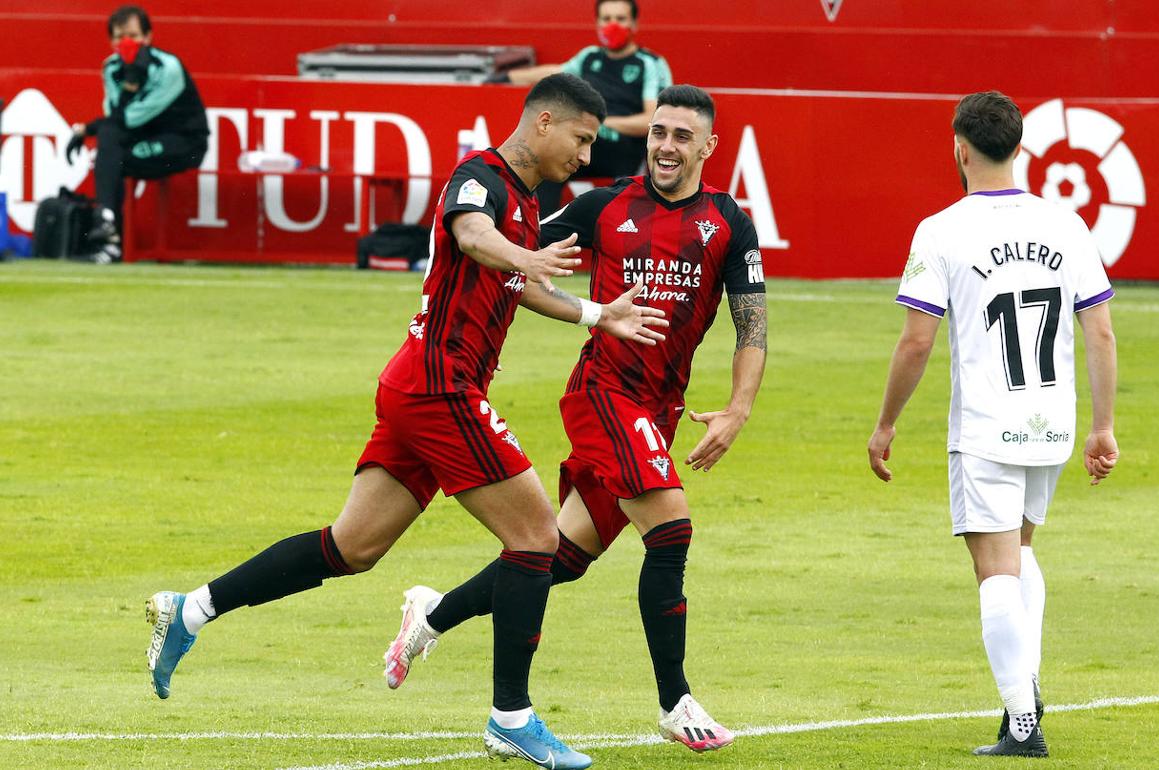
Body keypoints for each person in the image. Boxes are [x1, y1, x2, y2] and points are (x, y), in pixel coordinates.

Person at [144, 73, 668, 770]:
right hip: (439, 388)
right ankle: (512, 717)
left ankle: (190, 611)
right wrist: (524, 256)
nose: (584, 155)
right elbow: (475, 238)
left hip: (422, 385)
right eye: (581, 140)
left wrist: (599, 314)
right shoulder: (479, 179)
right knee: (537, 539)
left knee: (352, 547)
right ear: (544, 123)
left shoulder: (528, 198)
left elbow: (523, 283)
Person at [382, 84, 767, 754]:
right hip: (602, 393)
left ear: (708, 146)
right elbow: (516, 260)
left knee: (556, 558)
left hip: (658, 410)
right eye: (658, 133)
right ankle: (675, 701)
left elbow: (751, 326)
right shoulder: (601, 204)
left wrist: (738, 408)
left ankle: (431, 615)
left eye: (682, 136)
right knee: (670, 529)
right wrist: (569, 301)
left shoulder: (729, 221)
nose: (667, 146)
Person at [866, 91, 1120, 758]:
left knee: (995, 571)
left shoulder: (941, 229)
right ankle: (1024, 698)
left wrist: (885, 423)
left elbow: (916, 342)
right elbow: (1101, 330)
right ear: (1021, 145)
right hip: (1052, 425)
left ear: (958, 146)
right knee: (1021, 554)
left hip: (985, 427)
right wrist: (1103, 427)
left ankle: (1023, 722)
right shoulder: (1066, 224)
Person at [493, 0, 672, 217]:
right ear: (597, 23)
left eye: (620, 19)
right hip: (584, 147)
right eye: (606, 19)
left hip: (623, 154)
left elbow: (652, 121)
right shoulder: (589, 57)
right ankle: (537, 232)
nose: (612, 25)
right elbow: (556, 73)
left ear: (634, 24)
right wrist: (508, 77)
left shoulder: (650, 63)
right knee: (546, 157)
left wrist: (602, 123)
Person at [66, 5, 209, 262]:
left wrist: (87, 128)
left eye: (132, 36)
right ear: (111, 41)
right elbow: (114, 118)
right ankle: (109, 228)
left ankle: (109, 235)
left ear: (148, 37)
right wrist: (129, 79)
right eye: (119, 37)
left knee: (110, 155)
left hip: (182, 143)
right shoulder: (111, 68)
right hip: (141, 141)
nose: (126, 42)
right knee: (110, 150)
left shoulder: (168, 67)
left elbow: (133, 118)